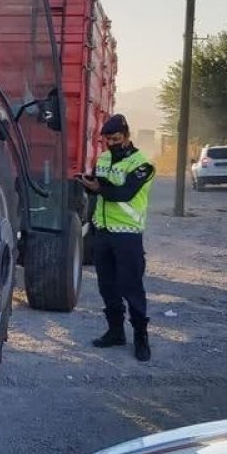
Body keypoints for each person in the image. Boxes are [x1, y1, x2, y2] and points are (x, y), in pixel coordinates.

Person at [78, 114, 156, 361]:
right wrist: (86, 183)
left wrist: (98, 188)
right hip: (102, 232)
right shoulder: (103, 158)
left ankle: (141, 338)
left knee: (131, 287)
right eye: (107, 139)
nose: (111, 143)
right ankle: (115, 332)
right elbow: (97, 187)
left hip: (127, 235)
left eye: (115, 138)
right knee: (107, 286)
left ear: (127, 136)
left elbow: (124, 193)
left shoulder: (142, 164)